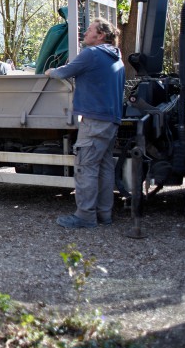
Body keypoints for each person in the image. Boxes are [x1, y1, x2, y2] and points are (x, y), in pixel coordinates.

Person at [45, 18, 125, 229]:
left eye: (89, 30)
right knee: (104, 168)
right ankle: (104, 215)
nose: (85, 33)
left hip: (95, 121)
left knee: (86, 168)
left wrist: (50, 72)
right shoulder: (116, 56)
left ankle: (85, 216)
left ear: (100, 36)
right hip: (111, 121)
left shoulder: (92, 54)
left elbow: (63, 72)